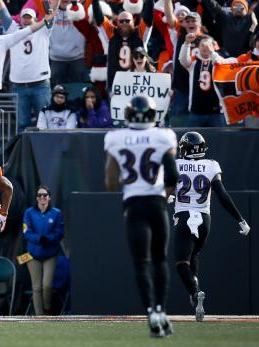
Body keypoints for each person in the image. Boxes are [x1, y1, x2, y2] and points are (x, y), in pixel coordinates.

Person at [104, 95, 179, 338]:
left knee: (142, 262)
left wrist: (127, 179)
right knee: (159, 260)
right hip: (157, 203)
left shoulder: (115, 138)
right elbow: (173, 176)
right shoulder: (163, 136)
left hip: (134, 205)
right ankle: (161, 310)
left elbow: (110, 183)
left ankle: (150, 313)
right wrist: (163, 192)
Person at [170, 131, 250, 322]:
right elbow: (222, 196)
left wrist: (167, 196)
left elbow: (165, 187)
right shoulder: (211, 165)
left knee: (182, 264)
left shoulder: (176, 165)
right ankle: (195, 288)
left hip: (184, 216)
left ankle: (194, 292)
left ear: (184, 149)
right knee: (194, 254)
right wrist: (241, 219)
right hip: (205, 219)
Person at [22, 185, 65, 315]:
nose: (42, 197)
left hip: (50, 253)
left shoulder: (56, 213)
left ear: (49, 197)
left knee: (47, 286)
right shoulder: (29, 213)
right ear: (36, 198)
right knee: (36, 287)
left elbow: (60, 231)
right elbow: (26, 231)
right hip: (32, 254)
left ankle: (47, 308)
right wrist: (38, 239)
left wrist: (49, 238)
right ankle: (39, 316)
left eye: (45, 195)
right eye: (39, 195)